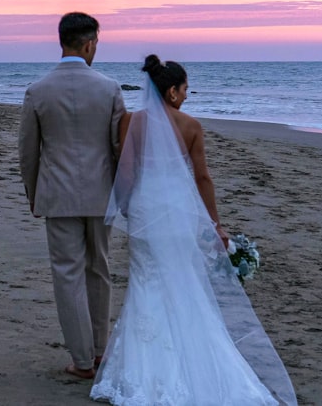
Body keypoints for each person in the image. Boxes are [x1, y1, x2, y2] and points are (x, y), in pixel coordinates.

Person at [90, 55, 297, 405]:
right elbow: (202, 178)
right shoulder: (191, 126)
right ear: (171, 91)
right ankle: (196, 360)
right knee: (183, 280)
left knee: (146, 283)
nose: (187, 96)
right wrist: (215, 223)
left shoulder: (131, 122)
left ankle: (143, 370)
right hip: (178, 211)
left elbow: (125, 172)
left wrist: (126, 206)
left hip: (145, 208)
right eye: (185, 89)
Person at [18, 12, 126, 379]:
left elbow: (28, 151)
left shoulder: (38, 89)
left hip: (58, 195)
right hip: (102, 194)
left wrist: (34, 194)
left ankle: (81, 359)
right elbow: (118, 149)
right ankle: (99, 352)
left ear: (61, 41)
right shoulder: (109, 88)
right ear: (89, 43)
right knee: (100, 269)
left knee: (67, 275)